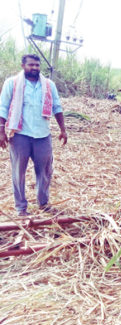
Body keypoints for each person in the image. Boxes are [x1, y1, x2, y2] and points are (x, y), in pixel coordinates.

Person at [0, 54, 67, 216]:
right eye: (31, 65)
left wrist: (63, 129)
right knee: (18, 172)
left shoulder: (49, 85)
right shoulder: (12, 84)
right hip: (20, 135)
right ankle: (21, 208)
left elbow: (57, 107)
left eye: (37, 65)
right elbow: (3, 107)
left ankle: (43, 203)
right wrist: (1, 131)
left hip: (43, 136)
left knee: (45, 172)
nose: (35, 68)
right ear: (23, 65)